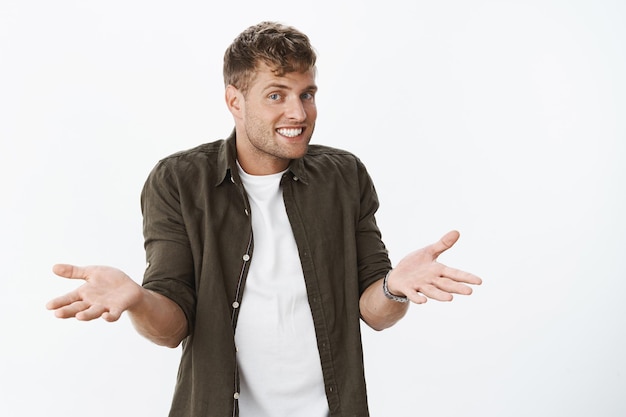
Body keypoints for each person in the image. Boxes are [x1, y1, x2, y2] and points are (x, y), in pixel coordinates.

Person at [46, 21, 482, 417]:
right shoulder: (178, 181)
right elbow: (172, 326)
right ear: (234, 100)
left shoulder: (344, 176)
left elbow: (375, 313)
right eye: (277, 95)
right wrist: (139, 299)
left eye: (306, 94)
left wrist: (393, 286)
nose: (298, 113)